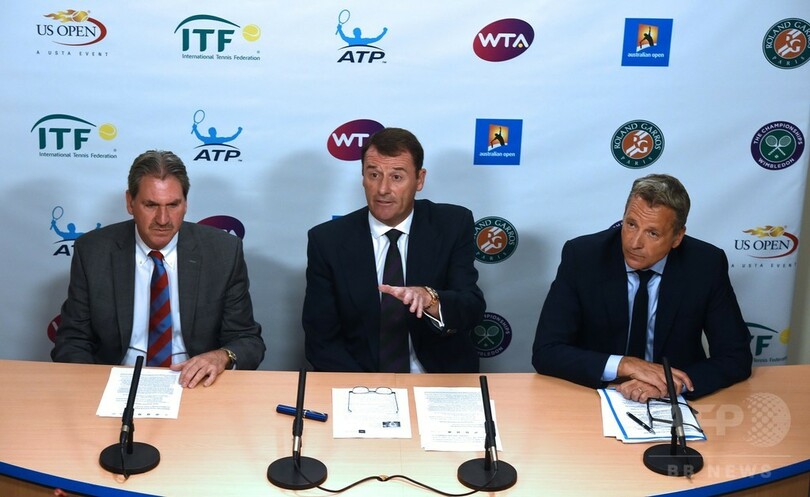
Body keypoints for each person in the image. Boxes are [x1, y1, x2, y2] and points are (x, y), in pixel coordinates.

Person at [52, 150, 265, 388]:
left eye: (173, 205)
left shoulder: (223, 252)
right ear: (130, 202)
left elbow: (247, 340)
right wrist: (92, 388)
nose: (163, 219)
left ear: (185, 204)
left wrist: (222, 356)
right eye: (151, 205)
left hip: (195, 385)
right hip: (114, 382)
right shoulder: (93, 252)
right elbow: (72, 340)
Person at [532, 174, 751, 399]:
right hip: (596, 394)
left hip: (672, 400)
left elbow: (736, 356)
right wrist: (625, 365)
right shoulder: (583, 257)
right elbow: (547, 351)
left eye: (652, 233)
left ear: (677, 237)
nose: (634, 243)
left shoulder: (706, 265)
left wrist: (671, 384)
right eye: (631, 225)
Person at [303, 127, 485, 373]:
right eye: (374, 175)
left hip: (437, 378)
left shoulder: (452, 225)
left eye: (397, 177)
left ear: (419, 180)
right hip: (359, 381)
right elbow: (321, 340)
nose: (383, 189)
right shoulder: (328, 241)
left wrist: (431, 299)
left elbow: (471, 308)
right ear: (363, 177)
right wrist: (367, 389)